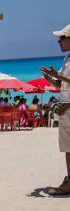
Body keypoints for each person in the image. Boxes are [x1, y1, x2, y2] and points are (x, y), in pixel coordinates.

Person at [41, 24, 70, 195]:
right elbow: (61, 84)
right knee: (67, 147)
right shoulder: (67, 59)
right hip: (65, 109)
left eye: (62, 38)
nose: (59, 42)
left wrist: (57, 76)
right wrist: (50, 79)